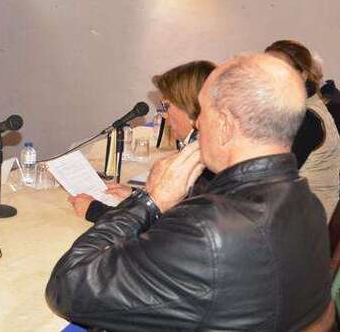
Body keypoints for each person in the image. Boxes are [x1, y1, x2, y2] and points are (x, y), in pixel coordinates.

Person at [46, 53, 331, 330]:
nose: (197, 123)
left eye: (203, 111)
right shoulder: (307, 202)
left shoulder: (206, 231)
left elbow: (69, 287)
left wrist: (149, 201)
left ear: (225, 125)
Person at [70, 60, 216, 222]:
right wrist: (140, 196)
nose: (164, 115)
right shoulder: (206, 145)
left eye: (166, 106)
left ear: (189, 107)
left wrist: (94, 210)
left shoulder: (204, 158)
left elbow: (171, 226)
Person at [266, 39, 340, 217]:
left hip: (310, 220)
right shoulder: (299, 108)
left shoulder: (306, 117)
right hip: (300, 212)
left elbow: (271, 177)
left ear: (303, 75)